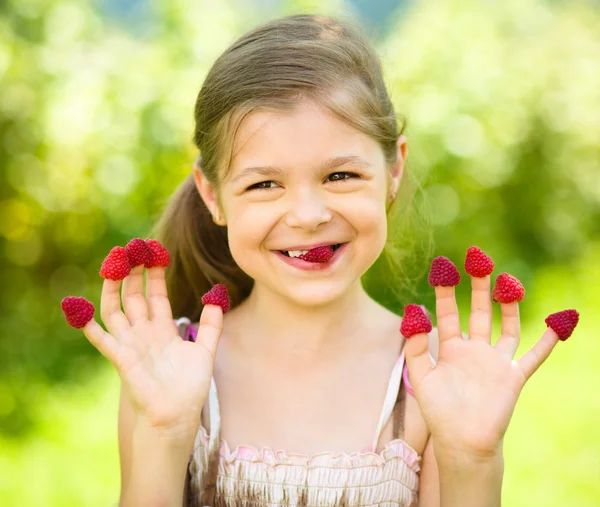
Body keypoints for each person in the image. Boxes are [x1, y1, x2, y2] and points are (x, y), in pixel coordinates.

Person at [75, 14, 578, 507]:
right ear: (212, 195)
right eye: (264, 184)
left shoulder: (433, 384)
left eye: (339, 176)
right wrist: (164, 431)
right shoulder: (167, 371)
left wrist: (473, 459)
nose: (308, 215)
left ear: (394, 169)